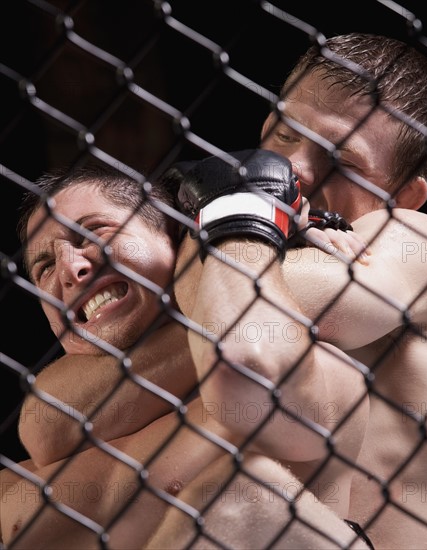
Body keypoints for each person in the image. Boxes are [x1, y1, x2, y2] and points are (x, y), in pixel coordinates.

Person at [149, 32, 427, 550]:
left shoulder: (420, 239)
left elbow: (331, 306)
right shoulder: (238, 256)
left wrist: (223, 227)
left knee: (242, 500)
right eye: (285, 137)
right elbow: (60, 409)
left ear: (403, 196)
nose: (296, 170)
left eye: (343, 161)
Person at [0, 163, 371, 549]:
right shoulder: (32, 458)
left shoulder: (315, 374)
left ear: (176, 236)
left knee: (243, 494)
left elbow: (246, 360)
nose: (69, 269)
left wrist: (229, 226)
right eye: (44, 268)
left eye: (94, 232)